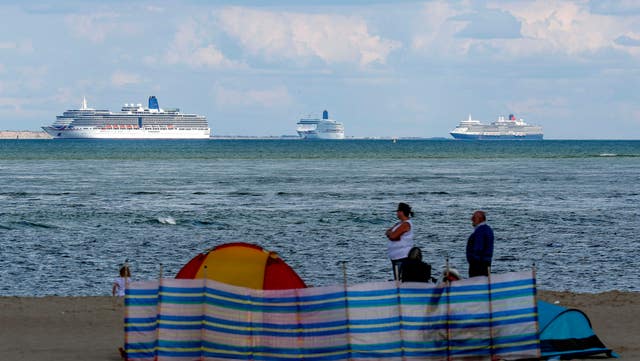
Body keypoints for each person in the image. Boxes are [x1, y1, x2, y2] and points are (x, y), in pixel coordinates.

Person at [385, 202, 414, 280]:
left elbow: (392, 236)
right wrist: (392, 235)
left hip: (402, 256)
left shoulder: (406, 224)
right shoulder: (399, 223)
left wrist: (392, 235)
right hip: (396, 256)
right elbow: (387, 232)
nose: (396, 213)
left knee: (400, 279)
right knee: (397, 278)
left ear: (401, 212)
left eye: (397, 211)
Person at [466, 210, 494, 277]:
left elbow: (478, 247)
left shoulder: (480, 230)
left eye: (474, 217)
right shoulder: (488, 229)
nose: (471, 219)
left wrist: (474, 260)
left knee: (475, 282)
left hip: (478, 264)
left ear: (480, 219)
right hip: (486, 262)